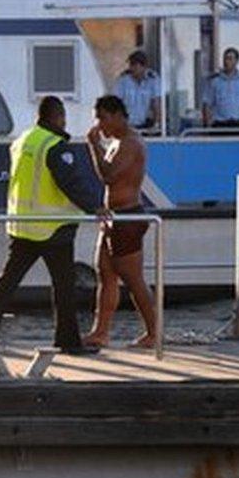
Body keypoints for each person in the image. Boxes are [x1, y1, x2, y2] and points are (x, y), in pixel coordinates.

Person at [0, 96, 104, 355]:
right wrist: (95, 207)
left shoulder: (22, 141)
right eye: (63, 116)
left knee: (8, 280)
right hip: (52, 228)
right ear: (57, 116)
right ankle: (67, 341)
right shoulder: (55, 146)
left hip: (22, 224)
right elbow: (70, 183)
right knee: (64, 286)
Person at [81, 95, 158, 350]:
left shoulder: (130, 143)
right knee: (105, 273)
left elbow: (109, 176)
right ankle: (100, 331)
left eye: (102, 117)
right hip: (113, 218)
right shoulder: (116, 143)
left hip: (127, 217)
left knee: (133, 278)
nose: (99, 124)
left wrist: (93, 145)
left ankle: (154, 332)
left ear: (116, 115)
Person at [201, 47, 239, 130]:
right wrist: (208, 126)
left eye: (230, 59)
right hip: (220, 125)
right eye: (225, 58)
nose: (227, 62)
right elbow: (206, 105)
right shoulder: (215, 82)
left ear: (237, 61)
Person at [112, 50, 161, 131]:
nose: (132, 68)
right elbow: (116, 105)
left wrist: (156, 125)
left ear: (144, 67)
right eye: (131, 65)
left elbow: (156, 104)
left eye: (135, 65)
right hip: (127, 125)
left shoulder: (153, 80)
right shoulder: (123, 80)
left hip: (145, 125)